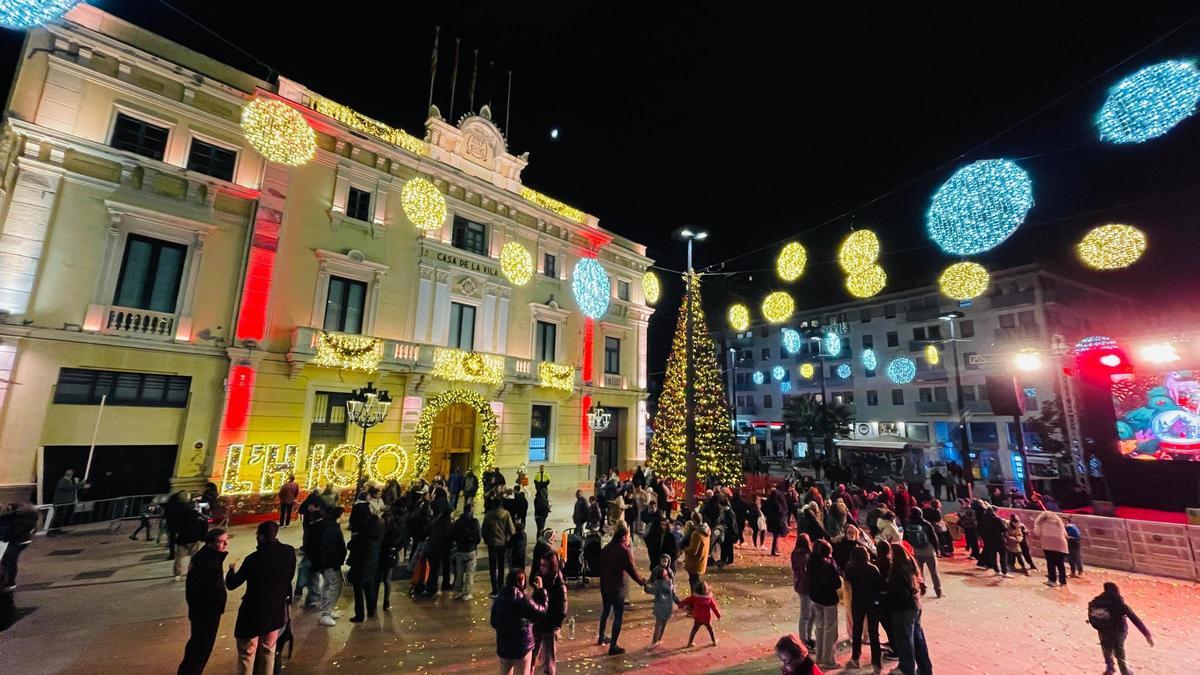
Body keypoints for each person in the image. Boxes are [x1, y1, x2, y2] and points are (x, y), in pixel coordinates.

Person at [225, 521, 296, 675]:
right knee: (269, 649)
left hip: (253, 613)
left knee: (247, 653)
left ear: (261, 537)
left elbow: (232, 584)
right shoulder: (289, 552)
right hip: (276, 612)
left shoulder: (253, 559)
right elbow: (288, 577)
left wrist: (231, 570)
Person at [177, 528, 229, 675]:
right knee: (202, 646)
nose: (226, 544)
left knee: (198, 645)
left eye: (226, 539)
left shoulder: (208, 557)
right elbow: (203, 589)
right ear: (211, 543)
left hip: (204, 610)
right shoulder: (206, 562)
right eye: (221, 541)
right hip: (207, 611)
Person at [598, 523, 646, 656]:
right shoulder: (624, 550)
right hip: (617, 586)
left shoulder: (607, 547)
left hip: (605, 584)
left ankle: (601, 636)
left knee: (606, 611)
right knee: (618, 616)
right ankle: (613, 646)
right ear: (625, 536)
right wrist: (642, 582)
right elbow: (632, 570)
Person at [885, 543, 931, 675]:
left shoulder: (897, 572)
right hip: (915, 607)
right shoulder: (910, 564)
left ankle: (907, 669)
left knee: (905, 641)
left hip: (904, 610)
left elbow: (899, 594)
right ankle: (924, 668)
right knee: (917, 638)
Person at [1088, 582, 1153, 675]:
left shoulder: (1097, 602)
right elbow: (1134, 619)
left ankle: (1110, 668)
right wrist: (1147, 634)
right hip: (1118, 631)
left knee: (1106, 648)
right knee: (1119, 650)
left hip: (1103, 630)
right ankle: (1124, 670)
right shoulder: (1119, 603)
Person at [490, 569, 548, 675]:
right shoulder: (523, 600)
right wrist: (541, 590)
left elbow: (494, 621)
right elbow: (541, 611)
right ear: (521, 582)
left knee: (504, 672)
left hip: (504, 646)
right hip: (522, 645)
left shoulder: (499, 599)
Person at [843, 544, 883, 672]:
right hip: (872, 603)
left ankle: (855, 658)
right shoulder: (873, 569)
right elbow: (880, 586)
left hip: (858, 602)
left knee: (857, 630)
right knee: (873, 633)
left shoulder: (850, 567)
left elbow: (848, 583)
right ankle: (876, 663)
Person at [531, 551, 568, 674]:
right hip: (538, 624)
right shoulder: (540, 578)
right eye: (541, 565)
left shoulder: (558, 585)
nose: (542, 568)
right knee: (532, 656)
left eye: (545, 565)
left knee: (549, 659)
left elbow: (562, 610)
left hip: (549, 626)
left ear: (552, 566)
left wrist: (554, 625)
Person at [807, 539, 841, 670]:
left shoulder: (811, 562)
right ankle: (828, 660)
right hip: (829, 600)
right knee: (830, 630)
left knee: (820, 627)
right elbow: (837, 584)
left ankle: (820, 656)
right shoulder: (828, 565)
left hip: (815, 598)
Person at [310, 505, 346, 627]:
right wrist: (338, 560)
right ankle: (326, 613)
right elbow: (336, 546)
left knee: (328, 585)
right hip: (331, 562)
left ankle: (328, 610)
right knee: (333, 586)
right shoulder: (332, 528)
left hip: (324, 562)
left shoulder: (324, 525)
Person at [347, 513, 383, 621]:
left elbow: (350, 545)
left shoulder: (361, 536)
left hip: (359, 566)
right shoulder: (378, 536)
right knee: (369, 589)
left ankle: (360, 615)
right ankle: (371, 611)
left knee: (358, 592)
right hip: (372, 566)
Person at [904, 507, 942, 598]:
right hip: (928, 551)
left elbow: (905, 538)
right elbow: (933, 538)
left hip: (916, 551)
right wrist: (937, 549)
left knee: (919, 571)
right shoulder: (926, 524)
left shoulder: (908, 523)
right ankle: (938, 590)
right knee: (934, 572)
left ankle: (922, 588)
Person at [483, 497, 516, 597]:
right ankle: (501, 586)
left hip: (492, 543)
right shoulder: (506, 514)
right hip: (502, 543)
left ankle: (494, 590)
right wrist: (507, 538)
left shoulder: (488, 515)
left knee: (493, 567)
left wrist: (487, 539)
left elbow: (484, 530)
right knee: (501, 565)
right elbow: (511, 530)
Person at [643, 561, 681, 649]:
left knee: (658, 625)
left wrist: (645, 584)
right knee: (663, 624)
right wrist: (680, 603)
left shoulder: (657, 585)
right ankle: (659, 639)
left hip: (659, 608)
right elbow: (674, 596)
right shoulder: (670, 585)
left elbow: (648, 590)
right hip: (668, 608)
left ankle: (654, 641)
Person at [451, 507, 482, 601]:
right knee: (470, 572)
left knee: (459, 571)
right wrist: (474, 543)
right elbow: (478, 536)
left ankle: (458, 590)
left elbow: (454, 535)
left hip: (460, 549)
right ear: (471, 511)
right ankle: (467, 593)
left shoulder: (458, 522)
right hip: (471, 549)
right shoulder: (474, 521)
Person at [679, 580, 721, 647]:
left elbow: (686, 600)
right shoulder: (709, 598)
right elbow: (714, 607)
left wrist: (680, 605)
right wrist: (718, 615)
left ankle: (690, 642)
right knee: (710, 629)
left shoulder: (694, 597)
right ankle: (714, 641)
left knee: (694, 630)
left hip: (697, 616)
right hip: (707, 617)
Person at [790, 533, 814, 648]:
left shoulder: (796, 554)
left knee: (809, 613)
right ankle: (804, 638)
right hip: (806, 587)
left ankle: (807, 637)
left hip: (801, 586)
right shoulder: (804, 555)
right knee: (806, 614)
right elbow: (804, 572)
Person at [1034, 510, 1069, 587]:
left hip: (1048, 546)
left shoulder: (1041, 523)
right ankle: (1063, 581)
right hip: (1062, 546)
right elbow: (1066, 535)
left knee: (1051, 563)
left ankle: (1052, 581)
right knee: (1060, 564)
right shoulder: (1059, 523)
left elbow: (1037, 533)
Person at [683, 513, 711, 592]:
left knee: (694, 583)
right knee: (696, 581)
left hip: (694, 564)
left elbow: (692, 551)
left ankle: (695, 599)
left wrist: (684, 548)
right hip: (701, 561)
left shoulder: (696, 534)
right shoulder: (706, 530)